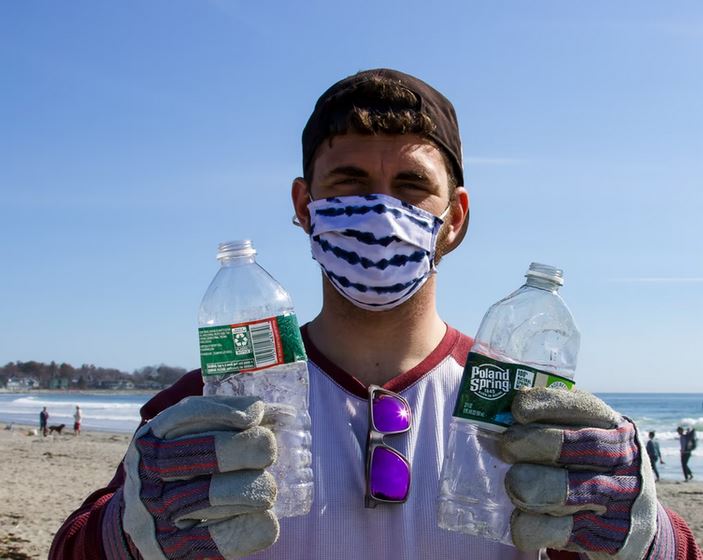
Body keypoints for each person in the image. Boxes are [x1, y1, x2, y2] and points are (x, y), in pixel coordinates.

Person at [49, 69, 703, 560]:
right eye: (349, 183)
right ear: (305, 207)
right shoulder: (214, 403)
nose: (379, 211)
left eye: (412, 186)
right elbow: (75, 547)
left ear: (456, 218)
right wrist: (121, 535)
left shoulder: (520, 404)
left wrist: (649, 538)